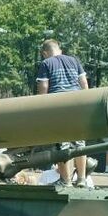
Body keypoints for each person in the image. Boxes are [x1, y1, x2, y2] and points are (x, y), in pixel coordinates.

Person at [36, 39, 90, 185]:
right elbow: (84, 83)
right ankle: (82, 179)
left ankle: (65, 181)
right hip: (77, 103)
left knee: (62, 145)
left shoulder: (46, 63)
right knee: (79, 144)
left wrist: (41, 107)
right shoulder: (74, 60)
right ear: (59, 49)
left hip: (58, 106)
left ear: (45, 53)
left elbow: (44, 86)